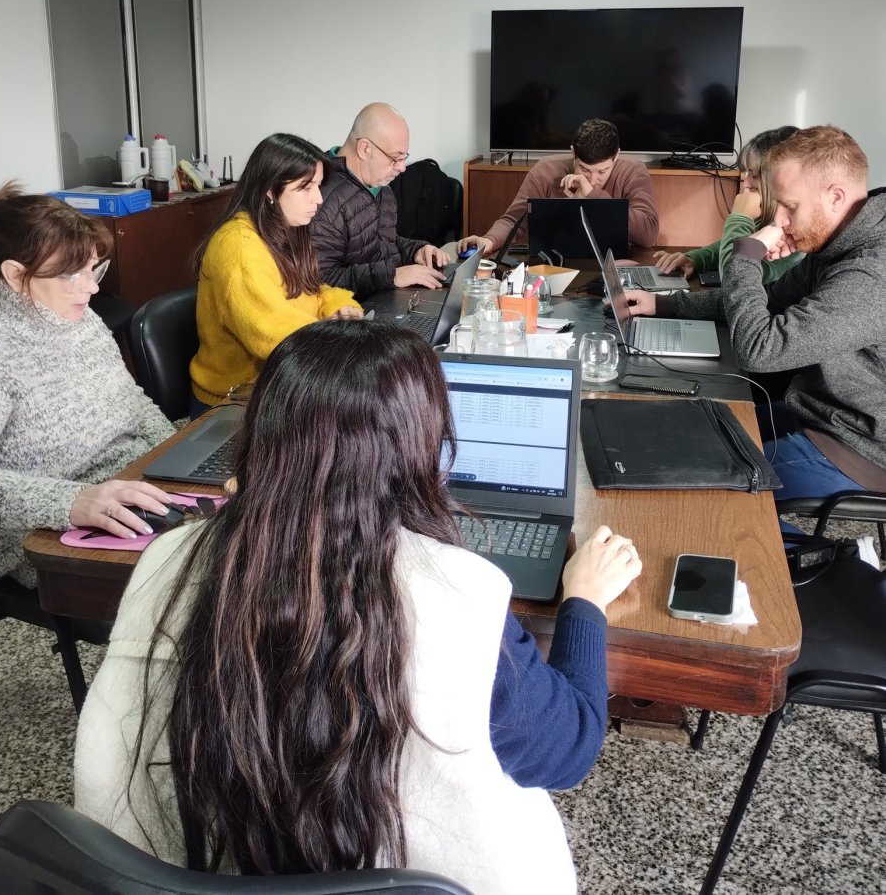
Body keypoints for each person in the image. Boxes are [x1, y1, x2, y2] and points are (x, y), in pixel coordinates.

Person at [75, 320, 642, 894]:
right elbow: (568, 750)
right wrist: (585, 602)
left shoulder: (167, 558)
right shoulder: (458, 591)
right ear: (423, 446)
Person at [622, 126, 886, 501]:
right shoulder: (838, 243)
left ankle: (821, 554)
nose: (778, 220)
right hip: (817, 414)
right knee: (693, 436)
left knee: (712, 492)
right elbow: (770, 300)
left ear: (836, 197)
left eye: (790, 207)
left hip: (859, 448)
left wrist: (746, 258)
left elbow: (759, 351)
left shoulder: (869, 273)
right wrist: (663, 303)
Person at [0, 184, 175, 589]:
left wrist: (172, 458)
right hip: (43, 526)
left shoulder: (76, 313)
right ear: (16, 275)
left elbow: (131, 400)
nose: (91, 288)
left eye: (94, 269)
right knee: (204, 580)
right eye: (73, 275)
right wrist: (71, 503)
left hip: (127, 482)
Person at [190, 133, 362, 414]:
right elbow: (273, 334)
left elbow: (312, 289)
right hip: (232, 404)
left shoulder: (284, 229)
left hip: (278, 387)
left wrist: (339, 307)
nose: (318, 199)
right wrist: (344, 343)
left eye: (318, 186)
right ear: (269, 190)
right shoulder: (238, 246)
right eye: (306, 187)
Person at [459, 118, 659, 257]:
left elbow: (648, 234)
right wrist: (489, 240)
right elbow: (514, 219)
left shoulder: (633, 170)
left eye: (602, 171)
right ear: (573, 153)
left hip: (614, 263)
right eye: (585, 169)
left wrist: (591, 195)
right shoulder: (546, 170)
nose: (593, 178)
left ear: (617, 156)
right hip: (554, 263)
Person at [311, 103, 451, 299]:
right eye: (395, 158)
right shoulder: (321, 198)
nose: (402, 168)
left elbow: (382, 242)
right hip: (354, 316)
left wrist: (416, 251)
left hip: (386, 300)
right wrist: (390, 276)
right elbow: (321, 281)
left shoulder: (381, 186)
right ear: (365, 148)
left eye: (404, 157)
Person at [653, 126, 803, 282]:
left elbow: (734, 279)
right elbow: (737, 247)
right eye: (746, 175)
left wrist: (739, 217)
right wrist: (694, 259)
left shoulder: (795, 243)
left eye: (755, 176)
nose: (746, 184)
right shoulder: (769, 219)